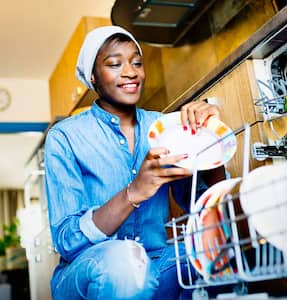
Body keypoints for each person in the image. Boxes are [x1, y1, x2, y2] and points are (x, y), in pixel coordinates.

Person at [44, 25, 225, 300]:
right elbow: (68, 241)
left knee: (212, 252)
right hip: (87, 271)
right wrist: (133, 193)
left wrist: (210, 141)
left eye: (137, 63)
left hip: (156, 264)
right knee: (123, 262)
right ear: (93, 76)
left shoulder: (163, 126)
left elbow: (202, 207)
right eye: (114, 64)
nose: (131, 72)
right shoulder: (65, 137)